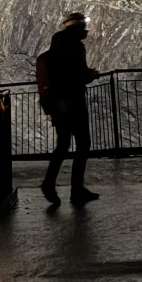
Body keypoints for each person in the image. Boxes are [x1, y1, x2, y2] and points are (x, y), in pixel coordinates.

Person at [40, 12, 101, 206]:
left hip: (58, 105)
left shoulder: (55, 48)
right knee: (83, 145)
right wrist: (92, 74)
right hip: (74, 102)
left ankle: (49, 183)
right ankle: (76, 190)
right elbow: (78, 76)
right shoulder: (76, 48)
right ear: (79, 28)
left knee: (62, 145)